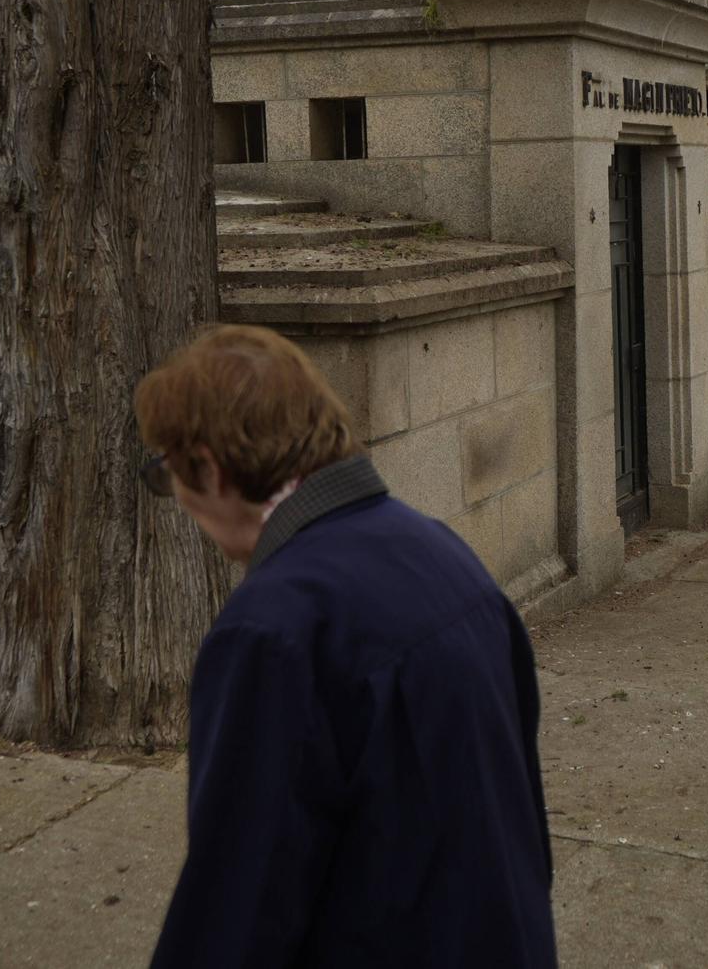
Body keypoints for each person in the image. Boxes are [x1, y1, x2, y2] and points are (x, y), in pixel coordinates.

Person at [136, 323, 556, 966]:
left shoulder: (273, 629)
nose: (180, 502)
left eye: (169, 474)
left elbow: (235, 907)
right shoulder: (445, 554)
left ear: (209, 467)